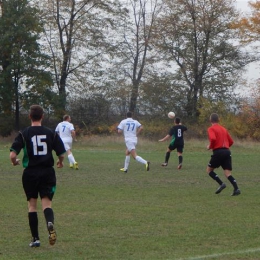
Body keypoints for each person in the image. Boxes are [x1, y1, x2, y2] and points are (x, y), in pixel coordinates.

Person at [10, 105, 66, 247]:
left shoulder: (24, 133)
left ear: (30, 116)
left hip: (30, 173)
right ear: (42, 116)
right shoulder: (50, 132)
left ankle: (35, 239)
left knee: (32, 206)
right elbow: (61, 153)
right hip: (47, 172)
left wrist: (15, 161)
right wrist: (60, 162)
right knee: (46, 203)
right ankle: (49, 222)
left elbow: (12, 154)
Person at [206, 113, 241, 196]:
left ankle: (221, 184)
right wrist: (225, 148)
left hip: (218, 152)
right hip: (227, 151)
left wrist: (210, 147)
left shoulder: (211, 129)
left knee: (209, 170)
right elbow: (231, 141)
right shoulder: (224, 129)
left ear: (210, 120)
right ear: (218, 120)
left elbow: (213, 138)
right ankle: (236, 189)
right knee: (228, 173)